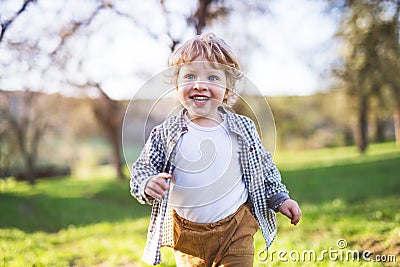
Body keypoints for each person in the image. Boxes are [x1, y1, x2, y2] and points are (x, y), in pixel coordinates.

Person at [130, 32, 301, 266]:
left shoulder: (242, 128)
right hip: (188, 236)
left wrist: (280, 198)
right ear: (177, 85)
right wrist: (148, 183)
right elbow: (142, 169)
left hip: (236, 229)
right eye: (190, 76)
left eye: (212, 78)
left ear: (227, 89)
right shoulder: (165, 133)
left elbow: (264, 168)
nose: (200, 84)